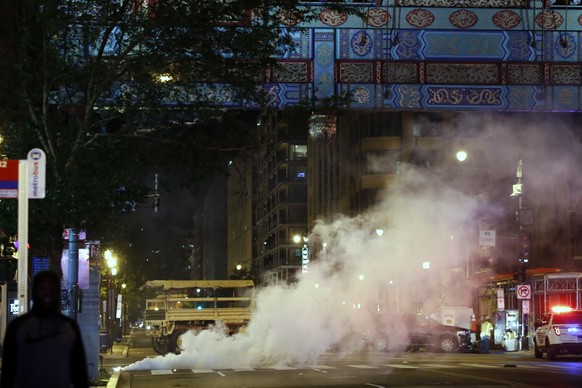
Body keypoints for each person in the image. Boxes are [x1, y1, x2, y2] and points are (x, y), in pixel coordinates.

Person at [1, 270, 89, 388]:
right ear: (35, 292)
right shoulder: (18, 327)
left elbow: (79, 371)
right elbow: (8, 369)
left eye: (51, 289)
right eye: (42, 289)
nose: (47, 293)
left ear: (57, 292)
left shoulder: (69, 328)